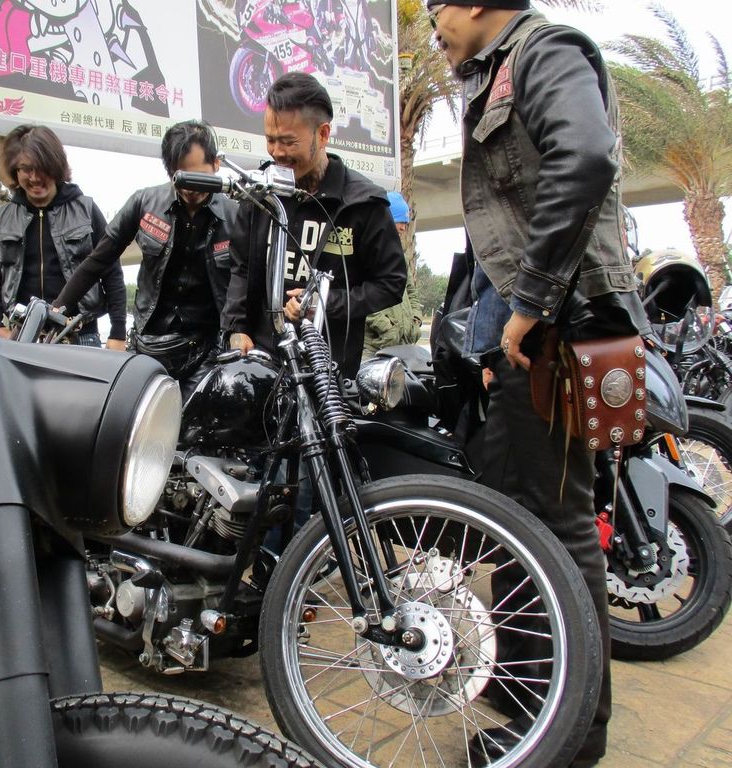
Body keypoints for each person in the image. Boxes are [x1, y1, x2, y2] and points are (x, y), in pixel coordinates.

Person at [428, 2, 651, 766]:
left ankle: (574, 736)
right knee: (516, 514)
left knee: (558, 526)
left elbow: (585, 159)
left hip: (562, 324)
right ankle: (529, 696)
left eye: (437, 6)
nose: (433, 22)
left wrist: (530, 303)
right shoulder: (496, 72)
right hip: (527, 337)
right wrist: (496, 329)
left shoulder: (543, 50)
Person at [222, 72, 406, 380]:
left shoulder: (363, 203)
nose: (277, 152)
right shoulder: (260, 192)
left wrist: (325, 302)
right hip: (261, 364)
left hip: (330, 373)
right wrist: (235, 327)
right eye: (270, 140)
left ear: (322, 134)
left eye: (288, 142)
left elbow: (390, 284)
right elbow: (241, 267)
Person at [52, 120, 237, 399]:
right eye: (182, 177)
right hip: (148, 346)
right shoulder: (144, 202)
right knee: (134, 419)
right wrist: (57, 308)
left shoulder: (237, 215)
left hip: (207, 350)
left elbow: (248, 282)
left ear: (216, 165)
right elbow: (98, 260)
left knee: (196, 422)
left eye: (199, 176)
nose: (191, 187)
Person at [0, 124, 125, 348]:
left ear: (56, 167)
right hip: (21, 337)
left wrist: (118, 333)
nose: (34, 177)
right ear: (15, 171)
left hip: (80, 336)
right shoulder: (4, 215)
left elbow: (112, 271)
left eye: (42, 168)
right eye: (25, 169)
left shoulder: (86, 209)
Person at [363, 191, 423, 355]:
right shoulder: (366, 252)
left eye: (405, 223)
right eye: (400, 221)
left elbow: (410, 291)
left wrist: (416, 320)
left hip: (403, 344)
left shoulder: (401, 256)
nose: (403, 227)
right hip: (374, 346)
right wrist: (386, 327)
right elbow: (360, 296)